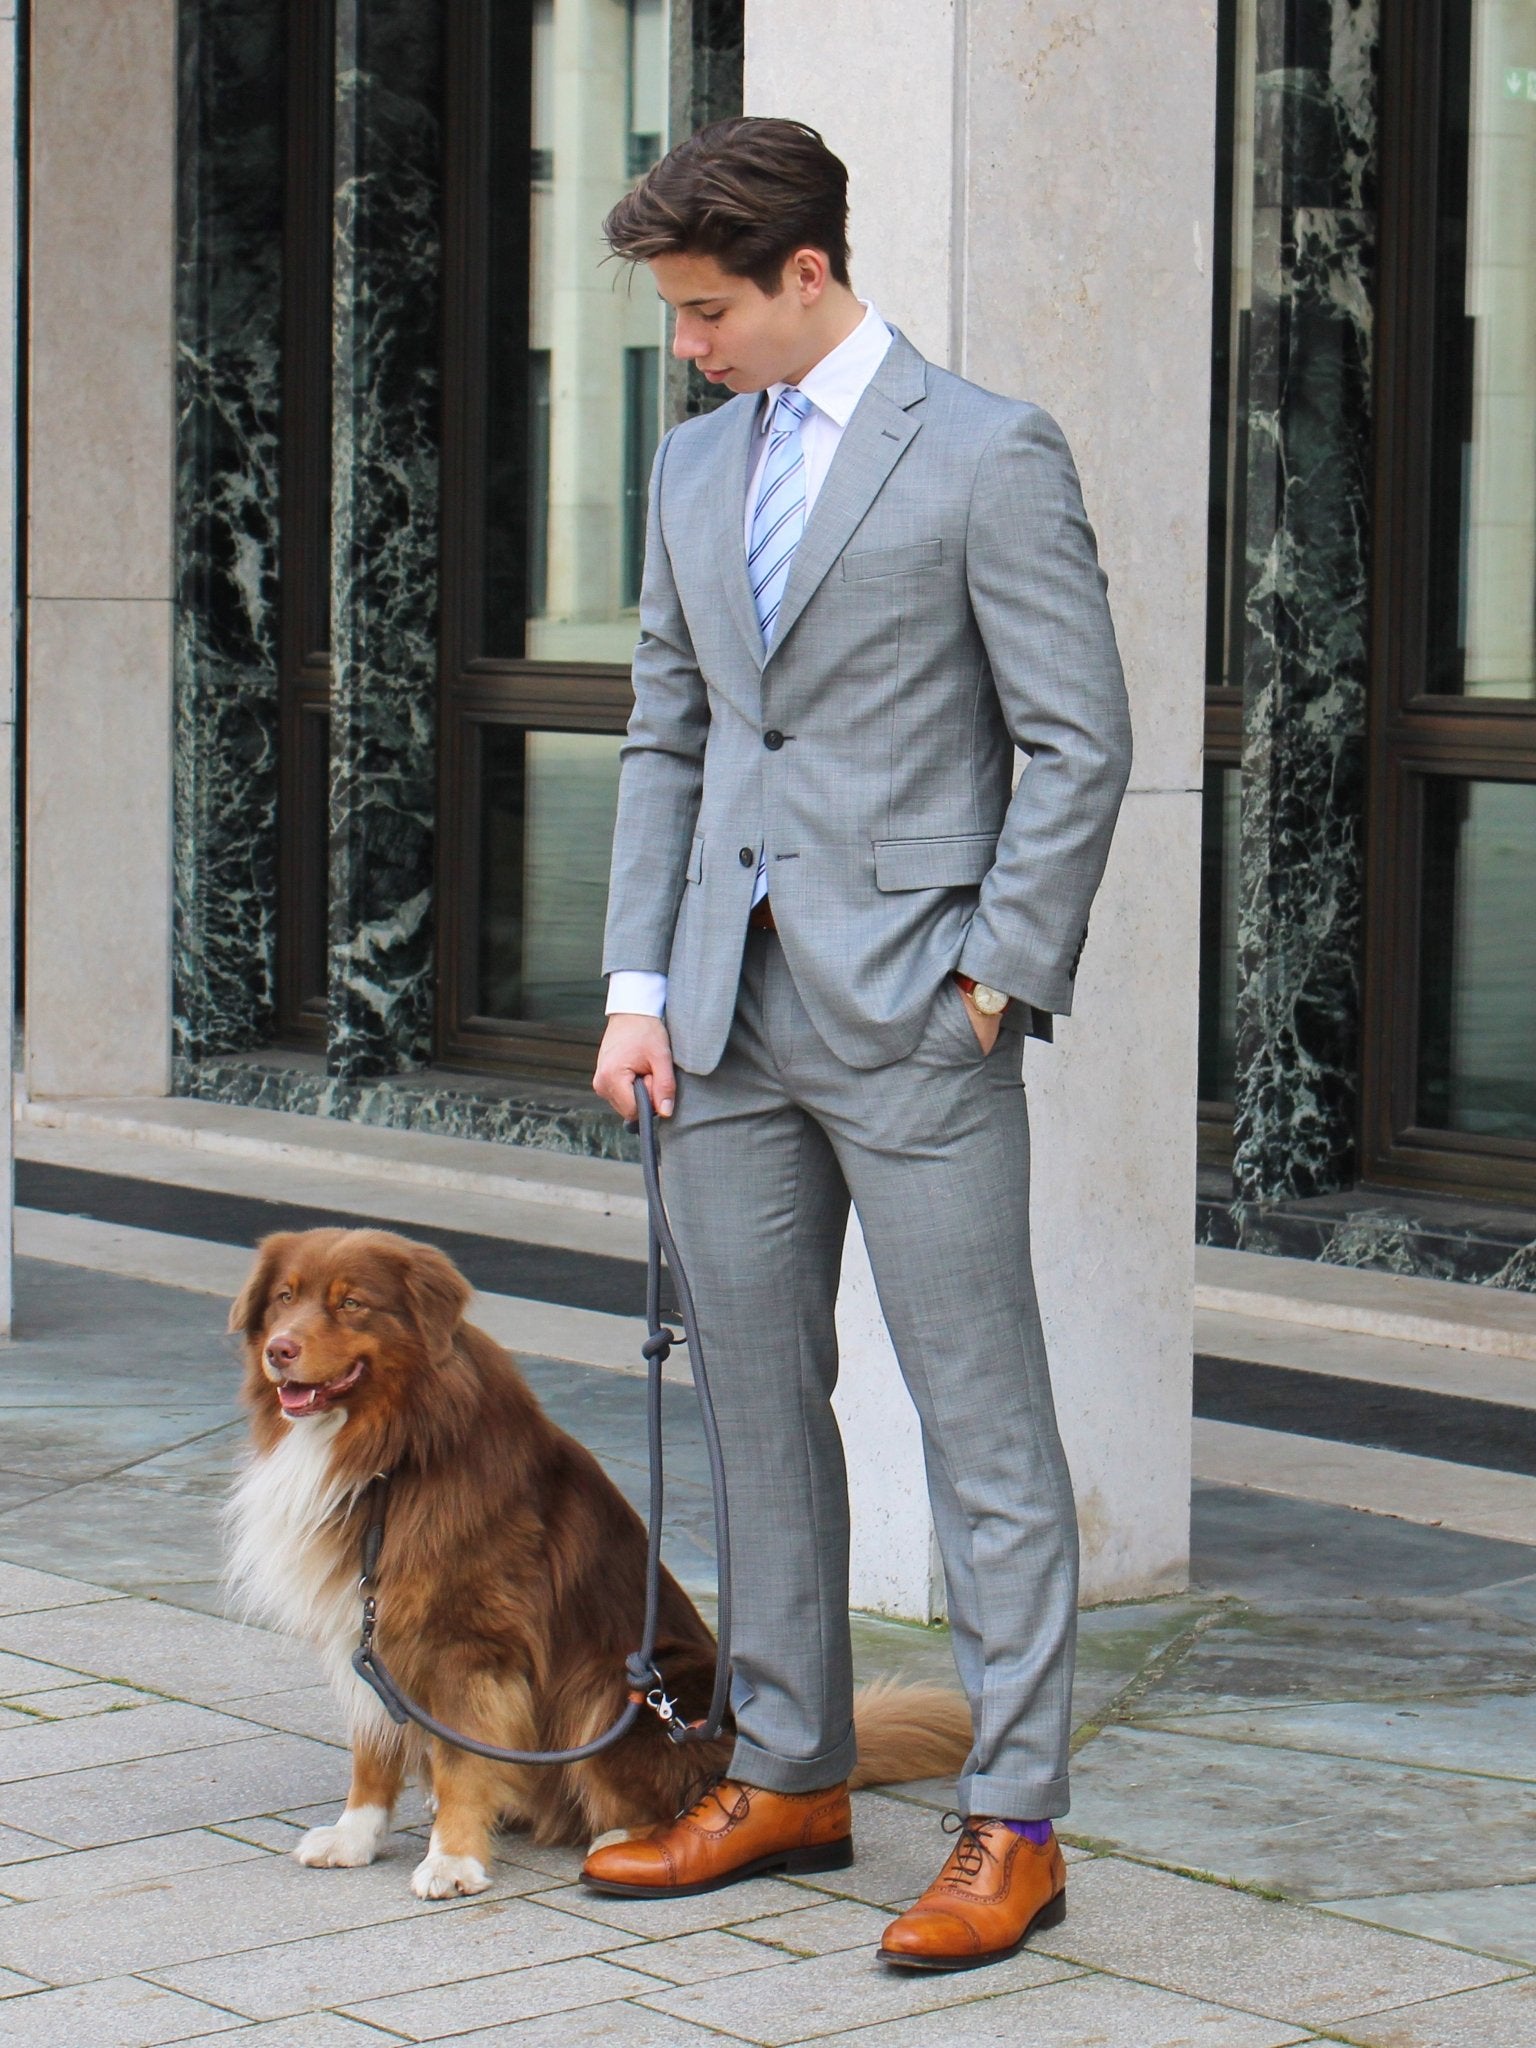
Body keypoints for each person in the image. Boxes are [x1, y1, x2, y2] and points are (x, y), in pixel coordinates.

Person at [585, 115, 1131, 1971]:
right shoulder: (688, 467)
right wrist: (636, 993)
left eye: (711, 308)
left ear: (808, 272)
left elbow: (1079, 740)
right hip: (724, 1024)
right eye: (675, 313)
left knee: (986, 1429)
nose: (690, 342)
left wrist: (996, 976)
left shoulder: (989, 453)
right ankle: (795, 1771)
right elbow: (670, 734)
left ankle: (1015, 1821)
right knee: (755, 1409)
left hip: (918, 1019)